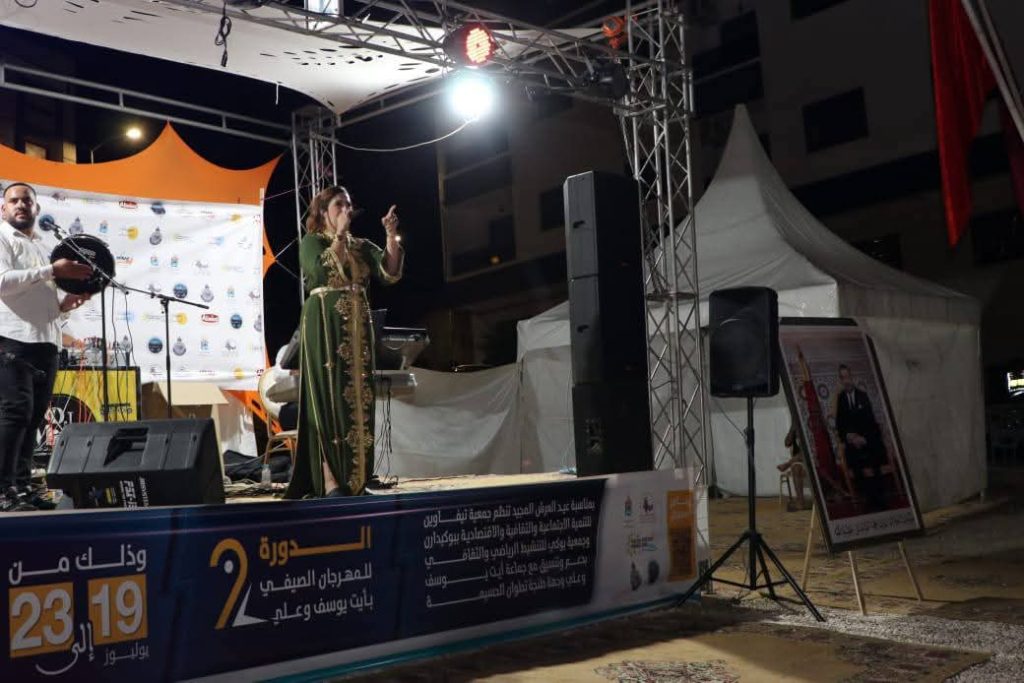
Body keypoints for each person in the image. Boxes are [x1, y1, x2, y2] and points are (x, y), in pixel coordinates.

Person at [285, 186, 403, 499]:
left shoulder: (361, 245)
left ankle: (358, 478)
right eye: (339, 205)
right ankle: (330, 481)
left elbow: (389, 273)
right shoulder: (312, 242)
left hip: (357, 331)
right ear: (323, 212)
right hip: (324, 326)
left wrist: (390, 236)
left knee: (359, 401)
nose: (346, 210)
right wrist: (338, 235)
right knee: (328, 400)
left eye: (348, 204)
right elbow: (320, 270)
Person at [0, 182, 92, 511]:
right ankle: (3, 490)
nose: (20, 205)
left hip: (46, 343)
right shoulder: (2, 237)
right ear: (3, 209)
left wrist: (65, 305)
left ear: (37, 208)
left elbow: (40, 298)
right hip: (12, 341)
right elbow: (2, 282)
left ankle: (22, 488)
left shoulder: (42, 245)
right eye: (14, 200)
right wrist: (52, 270)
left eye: (27, 200)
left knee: (34, 418)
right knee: (15, 415)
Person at [834, 364, 887, 512]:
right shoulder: (841, 399)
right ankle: (867, 500)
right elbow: (840, 424)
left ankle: (880, 499)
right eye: (843, 378)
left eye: (848, 377)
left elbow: (871, 421)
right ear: (841, 380)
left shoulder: (863, 396)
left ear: (852, 377)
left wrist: (863, 438)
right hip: (852, 443)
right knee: (854, 460)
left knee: (874, 454)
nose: (846, 380)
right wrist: (850, 437)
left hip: (867, 439)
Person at [777, 422, 811, 510]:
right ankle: (800, 501)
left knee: (797, 463)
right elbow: (787, 443)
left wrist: (788, 464)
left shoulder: (809, 427)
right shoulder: (795, 428)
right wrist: (792, 428)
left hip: (812, 461)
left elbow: (807, 452)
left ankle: (787, 465)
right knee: (796, 467)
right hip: (800, 463)